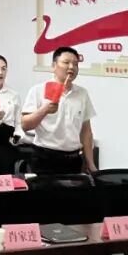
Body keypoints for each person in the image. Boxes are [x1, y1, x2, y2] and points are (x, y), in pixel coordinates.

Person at [21, 46, 97, 175]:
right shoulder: (38, 90)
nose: (71, 67)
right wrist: (44, 110)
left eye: (75, 64)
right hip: (45, 158)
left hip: (73, 159)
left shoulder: (82, 93)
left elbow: (86, 132)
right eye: (66, 62)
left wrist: (91, 163)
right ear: (54, 66)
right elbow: (25, 125)